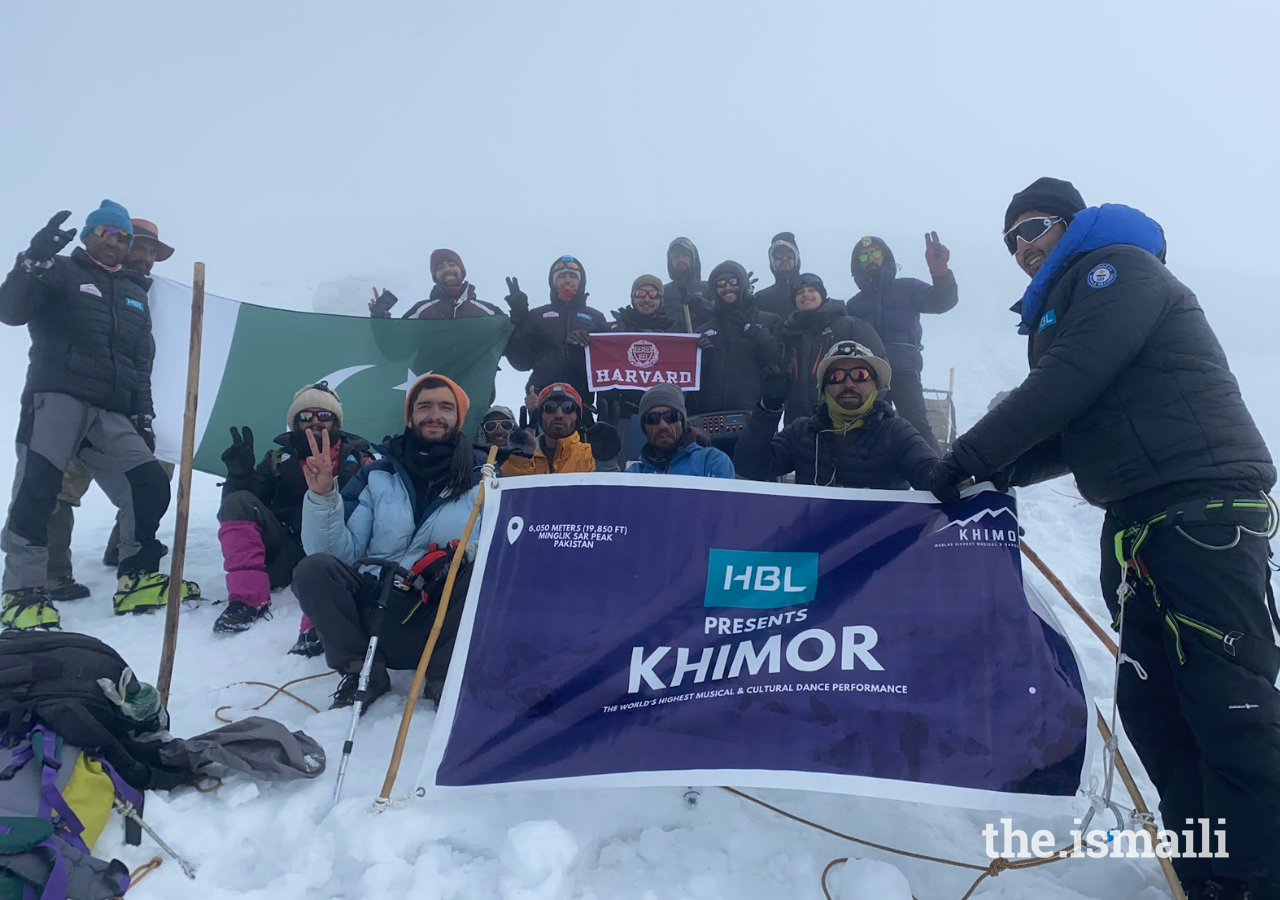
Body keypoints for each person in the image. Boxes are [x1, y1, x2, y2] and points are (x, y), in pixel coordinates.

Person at [926, 177, 1278, 899]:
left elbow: (1068, 383)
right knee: (1157, 712)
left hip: (1201, 513)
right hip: (1140, 526)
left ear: (1073, 224)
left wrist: (969, 459)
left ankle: (1259, 878)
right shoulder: (1066, 307)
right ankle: (1205, 876)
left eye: (1034, 228)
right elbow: (1073, 428)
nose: (1023, 247)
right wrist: (993, 477)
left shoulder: (1117, 271)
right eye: (1011, 240)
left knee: (1228, 707)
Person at [0, 202, 180, 630]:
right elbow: (10, 311)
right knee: (39, 488)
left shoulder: (136, 293)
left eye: (123, 237)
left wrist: (145, 415)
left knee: (149, 481)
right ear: (88, 234)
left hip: (113, 409)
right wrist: (33, 259)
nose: (116, 241)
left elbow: (140, 363)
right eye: (108, 233)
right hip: (58, 396)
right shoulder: (60, 270)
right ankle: (23, 593)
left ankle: (136, 576)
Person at [292, 374, 488, 709]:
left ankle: (445, 678)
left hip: (437, 618)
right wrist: (322, 495)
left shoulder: (483, 482)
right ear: (409, 416)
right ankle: (362, 672)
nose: (434, 414)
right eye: (424, 406)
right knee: (313, 569)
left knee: (480, 573)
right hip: (375, 611)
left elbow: (500, 555)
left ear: (459, 417)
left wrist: (462, 555)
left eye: (445, 407)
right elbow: (336, 553)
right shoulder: (377, 474)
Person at [47, 218, 178, 592]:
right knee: (61, 483)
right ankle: (52, 572)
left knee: (155, 472)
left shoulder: (155, 296)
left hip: (131, 405)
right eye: (143, 248)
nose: (148, 258)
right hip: (80, 404)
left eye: (154, 252)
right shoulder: (87, 282)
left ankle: (125, 550)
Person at [213, 381, 376, 649]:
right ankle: (246, 599)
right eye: (305, 416)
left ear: (336, 422)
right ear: (294, 422)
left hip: (339, 556)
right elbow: (245, 508)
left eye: (323, 415)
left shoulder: (359, 459)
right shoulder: (279, 459)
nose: (314, 422)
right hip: (286, 550)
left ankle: (322, 622)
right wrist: (239, 477)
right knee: (237, 501)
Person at [736, 341, 937, 489]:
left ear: (875, 385)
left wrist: (958, 467)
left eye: (860, 375)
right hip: (813, 541)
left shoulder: (897, 432)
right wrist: (768, 408)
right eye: (836, 377)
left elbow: (930, 472)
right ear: (824, 388)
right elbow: (751, 466)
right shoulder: (802, 431)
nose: (848, 384)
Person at [845, 233, 958, 452]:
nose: (870, 259)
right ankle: (878, 483)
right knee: (870, 427)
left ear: (885, 257)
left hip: (904, 368)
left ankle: (939, 475)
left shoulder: (908, 288)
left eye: (875, 253)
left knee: (916, 426)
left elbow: (942, 301)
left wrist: (940, 273)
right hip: (868, 374)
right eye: (863, 257)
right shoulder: (854, 305)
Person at [690, 261, 783, 456]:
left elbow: (774, 359)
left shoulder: (769, 321)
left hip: (753, 415)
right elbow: (694, 377)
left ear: (742, 283)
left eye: (732, 281)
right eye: (720, 283)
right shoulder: (702, 330)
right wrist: (703, 358)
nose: (727, 287)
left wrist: (753, 331)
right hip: (710, 420)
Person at [503, 255, 609, 411]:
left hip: (581, 404)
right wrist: (518, 319)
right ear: (552, 282)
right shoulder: (537, 315)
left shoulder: (596, 318)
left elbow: (606, 364)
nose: (567, 280)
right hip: (543, 402)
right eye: (561, 276)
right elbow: (521, 362)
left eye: (573, 276)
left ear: (581, 282)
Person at [778, 273, 886, 424]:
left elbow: (879, 366)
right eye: (799, 293)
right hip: (797, 419)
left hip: (842, 417)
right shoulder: (787, 333)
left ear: (822, 295)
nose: (806, 295)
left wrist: (865, 409)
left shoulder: (849, 325)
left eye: (812, 290)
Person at [604, 274, 683, 424]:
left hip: (663, 414)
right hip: (622, 413)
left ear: (661, 300)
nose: (646, 299)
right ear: (632, 298)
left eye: (653, 295)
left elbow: (689, 369)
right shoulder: (613, 329)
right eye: (640, 294)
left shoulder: (675, 330)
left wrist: (703, 350)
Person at [501, 384, 621, 476]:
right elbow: (512, 500)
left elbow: (610, 498)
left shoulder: (593, 455)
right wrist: (519, 461)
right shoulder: (523, 456)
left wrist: (606, 464)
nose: (559, 414)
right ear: (540, 416)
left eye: (567, 408)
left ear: (577, 417)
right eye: (550, 407)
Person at [625, 385, 734, 478]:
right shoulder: (634, 474)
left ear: (682, 422)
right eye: (652, 418)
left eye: (671, 416)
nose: (662, 425)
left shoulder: (712, 462)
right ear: (644, 427)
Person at [368, 248, 503, 319]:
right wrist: (380, 320)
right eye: (440, 267)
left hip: (475, 373)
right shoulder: (421, 312)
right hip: (430, 372)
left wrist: (519, 314)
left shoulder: (488, 312)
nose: (447, 270)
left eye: (452, 264)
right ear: (434, 276)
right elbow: (394, 350)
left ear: (462, 270)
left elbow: (515, 352)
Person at [661, 237, 711, 328]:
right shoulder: (662, 292)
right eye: (676, 256)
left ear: (693, 259)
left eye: (685, 255)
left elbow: (719, 314)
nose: (681, 259)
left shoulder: (709, 288)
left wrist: (699, 304)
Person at [753, 232, 804, 320]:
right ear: (772, 261)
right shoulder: (761, 298)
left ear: (796, 259)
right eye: (778, 256)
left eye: (789, 255)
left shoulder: (810, 293)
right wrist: (743, 296)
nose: (785, 259)